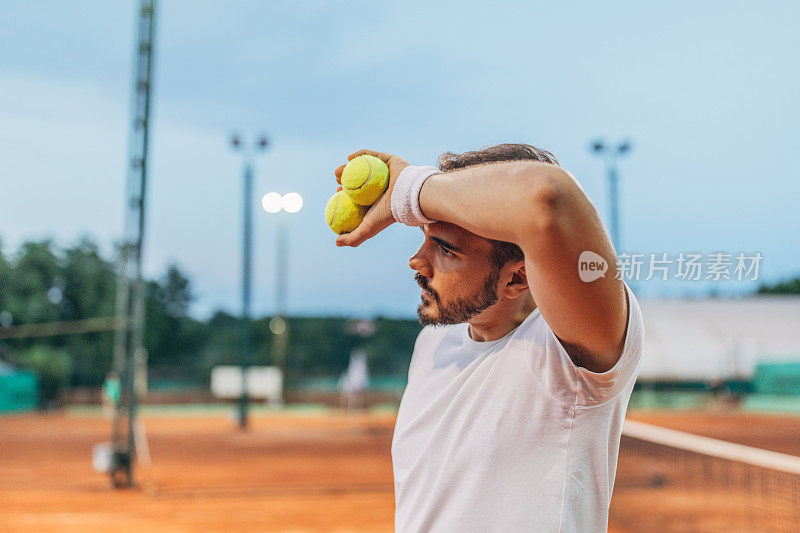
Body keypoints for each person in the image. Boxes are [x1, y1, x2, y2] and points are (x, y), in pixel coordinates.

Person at [333, 144, 645, 532]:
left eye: (447, 250)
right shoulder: (433, 345)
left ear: (516, 277)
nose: (417, 262)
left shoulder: (568, 350)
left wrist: (411, 190)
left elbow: (548, 198)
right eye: (427, 238)